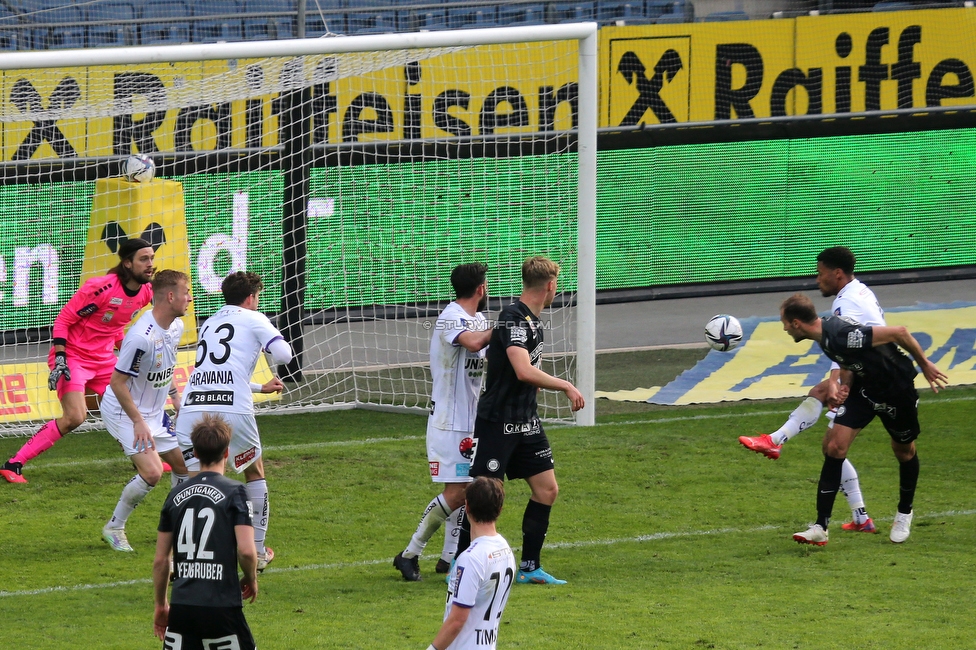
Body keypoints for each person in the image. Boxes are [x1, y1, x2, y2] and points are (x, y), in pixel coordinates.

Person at [455, 256, 585, 586]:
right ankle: (461, 563)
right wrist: (567, 386)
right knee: (483, 493)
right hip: (498, 421)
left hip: (526, 422)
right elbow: (523, 371)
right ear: (551, 286)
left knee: (547, 489)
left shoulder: (531, 320)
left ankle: (529, 566)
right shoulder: (513, 318)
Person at [778, 293, 947, 546]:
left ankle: (904, 512)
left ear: (795, 323)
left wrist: (924, 364)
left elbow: (899, 332)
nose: (783, 328)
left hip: (897, 391)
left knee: (903, 451)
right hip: (865, 391)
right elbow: (849, 362)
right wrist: (844, 386)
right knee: (835, 447)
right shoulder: (824, 338)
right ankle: (820, 527)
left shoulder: (841, 334)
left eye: (784, 323)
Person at [739, 246, 883, 532]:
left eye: (820, 274)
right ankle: (861, 517)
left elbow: (845, 343)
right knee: (831, 446)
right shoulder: (858, 291)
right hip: (870, 370)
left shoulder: (847, 303)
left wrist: (835, 381)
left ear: (837, 273)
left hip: (872, 376)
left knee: (833, 443)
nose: (818, 280)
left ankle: (776, 440)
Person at [1, 238, 155, 484]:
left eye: (152, 258)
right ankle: (13, 464)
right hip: (72, 356)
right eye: (144, 259)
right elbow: (63, 321)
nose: (150, 264)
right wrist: (61, 358)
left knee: (130, 408)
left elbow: (115, 325)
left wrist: (130, 354)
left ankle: (148, 463)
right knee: (75, 417)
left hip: (104, 360)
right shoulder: (101, 288)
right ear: (127, 263)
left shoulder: (146, 292)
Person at [175, 271, 291, 572]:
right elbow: (284, 353)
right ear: (251, 298)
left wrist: (258, 387)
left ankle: (184, 557)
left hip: (192, 407)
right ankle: (257, 550)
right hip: (232, 409)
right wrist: (268, 345)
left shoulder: (211, 321)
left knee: (195, 480)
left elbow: (219, 370)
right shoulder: (254, 318)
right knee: (254, 471)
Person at [394, 263, 492, 582]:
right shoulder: (451, 316)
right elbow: (475, 344)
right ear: (480, 288)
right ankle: (409, 554)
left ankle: (449, 556)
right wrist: (507, 325)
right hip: (449, 422)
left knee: (466, 488)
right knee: (458, 492)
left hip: (471, 419)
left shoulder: (478, 319)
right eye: (486, 283)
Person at [100, 270, 193, 552]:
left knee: (184, 467)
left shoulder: (175, 327)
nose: (190, 298)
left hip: (153, 414)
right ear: (170, 296)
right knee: (153, 473)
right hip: (124, 412)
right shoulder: (141, 337)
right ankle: (114, 527)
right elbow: (117, 382)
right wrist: (138, 422)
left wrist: (175, 397)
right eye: (186, 293)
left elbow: (167, 366)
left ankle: (175, 523)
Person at [153, 413, 258, 650]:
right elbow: (247, 552)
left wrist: (161, 604)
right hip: (221, 606)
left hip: (182, 607)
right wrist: (251, 578)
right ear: (226, 452)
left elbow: (161, 561)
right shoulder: (236, 492)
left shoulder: (175, 496)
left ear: (195, 453)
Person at [429, 477, 516, 650]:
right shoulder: (505, 550)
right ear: (499, 509)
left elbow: (457, 620)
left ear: (466, 506)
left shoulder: (471, 559)